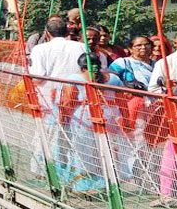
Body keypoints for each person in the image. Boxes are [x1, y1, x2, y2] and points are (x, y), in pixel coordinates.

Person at [55, 54, 131, 194]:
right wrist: (126, 120)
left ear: (82, 67)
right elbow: (122, 102)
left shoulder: (75, 79)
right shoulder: (114, 79)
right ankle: (105, 185)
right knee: (106, 153)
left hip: (84, 119)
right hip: (109, 118)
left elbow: (67, 102)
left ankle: (82, 186)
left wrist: (63, 118)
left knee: (83, 154)